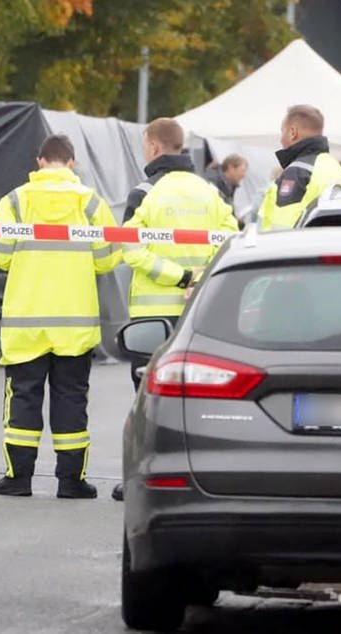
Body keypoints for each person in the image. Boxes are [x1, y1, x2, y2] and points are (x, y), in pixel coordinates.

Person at [0, 134, 119, 499]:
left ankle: (18, 478)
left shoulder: (15, 201)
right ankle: (71, 482)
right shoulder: (91, 203)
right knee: (71, 399)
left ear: (40, 161)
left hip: (26, 321)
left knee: (23, 397)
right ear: (71, 163)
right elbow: (107, 259)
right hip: (75, 323)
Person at [115, 118, 238, 500]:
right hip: (200, 314)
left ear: (153, 147)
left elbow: (130, 248)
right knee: (199, 393)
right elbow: (232, 240)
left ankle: (142, 478)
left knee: (147, 398)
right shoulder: (209, 193)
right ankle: (199, 475)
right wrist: (200, 278)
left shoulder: (144, 192)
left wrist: (178, 276)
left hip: (152, 318)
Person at [258, 105, 341, 231]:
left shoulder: (298, 172)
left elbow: (281, 229)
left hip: (294, 249)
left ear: (292, 132)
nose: (281, 139)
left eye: (282, 131)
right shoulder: (340, 172)